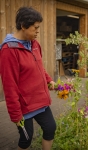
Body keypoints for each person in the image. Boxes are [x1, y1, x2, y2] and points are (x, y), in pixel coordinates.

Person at [0, 7, 56, 150]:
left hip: (40, 101)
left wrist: (49, 80)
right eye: (35, 28)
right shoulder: (9, 50)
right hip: (24, 106)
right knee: (26, 139)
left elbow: (39, 68)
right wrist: (15, 114)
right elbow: (9, 85)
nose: (38, 31)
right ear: (23, 26)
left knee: (50, 128)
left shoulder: (34, 44)